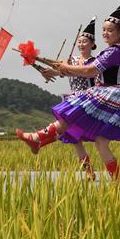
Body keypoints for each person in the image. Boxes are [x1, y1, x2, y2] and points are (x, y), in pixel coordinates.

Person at [16, 0, 120, 179]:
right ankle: (118, 183)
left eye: (110, 30)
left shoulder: (114, 51)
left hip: (111, 93)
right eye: (104, 30)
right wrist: (57, 71)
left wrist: (66, 68)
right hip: (110, 92)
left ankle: (38, 138)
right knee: (101, 142)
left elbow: (90, 71)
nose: (105, 33)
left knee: (72, 112)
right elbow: (82, 72)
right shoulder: (112, 50)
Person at [40, 18, 98, 179]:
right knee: (74, 138)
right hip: (73, 100)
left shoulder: (94, 62)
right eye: (79, 41)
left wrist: (61, 70)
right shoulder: (71, 60)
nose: (81, 44)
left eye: (85, 41)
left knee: (100, 139)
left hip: (87, 101)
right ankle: (89, 171)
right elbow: (61, 70)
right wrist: (49, 71)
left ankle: (41, 138)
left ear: (92, 44)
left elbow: (72, 72)